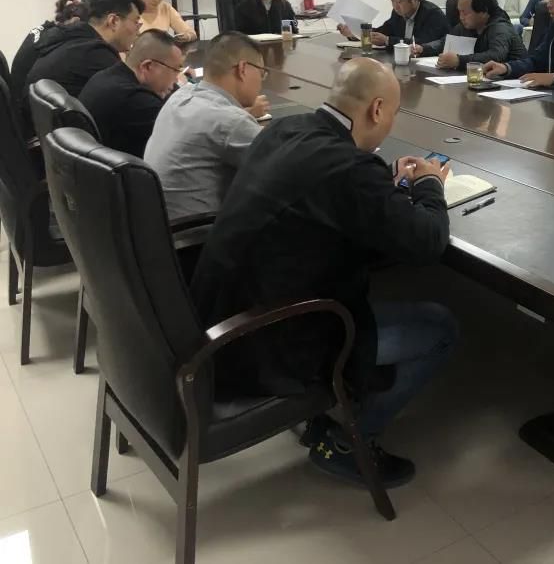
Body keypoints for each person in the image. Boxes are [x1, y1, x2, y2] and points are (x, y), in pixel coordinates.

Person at [190, 57, 457, 487]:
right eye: (393, 112)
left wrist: (383, 190)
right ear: (376, 110)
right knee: (439, 327)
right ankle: (351, 442)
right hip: (268, 341)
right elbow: (427, 243)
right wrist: (429, 185)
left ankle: (335, 412)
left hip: (221, 315)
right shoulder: (348, 169)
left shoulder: (284, 129)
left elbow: (323, 199)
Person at [143, 32, 269, 220]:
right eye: (261, 73)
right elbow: (284, 168)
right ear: (243, 69)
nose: (261, 81)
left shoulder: (180, 96)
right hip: (195, 232)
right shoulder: (231, 121)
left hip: (156, 225)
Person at [21, 0, 144, 133]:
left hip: (45, 136)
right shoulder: (96, 54)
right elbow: (138, 102)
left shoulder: (72, 39)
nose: (138, 30)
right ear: (114, 21)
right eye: (136, 22)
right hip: (55, 137)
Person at [78, 30, 184, 158]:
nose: (177, 79)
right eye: (176, 70)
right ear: (148, 66)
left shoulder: (107, 76)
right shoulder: (135, 100)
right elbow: (185, 139)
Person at [415, 0, 526, 69]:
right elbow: (445, 42)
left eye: (466, 13)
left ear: (484, 11)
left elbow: (496, 55)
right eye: (459, 12)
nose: (461, 17)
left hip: (513, 83)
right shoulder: (468, 25)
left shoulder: (500, 27)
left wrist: (459, 61)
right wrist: (423, 49)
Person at [10, 0, 89, 113]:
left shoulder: (45, 29)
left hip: (19, 102)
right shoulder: (54, 38)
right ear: (75, 20)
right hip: (24, 107)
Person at [341, 0, 448, 48]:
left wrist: (388, 41)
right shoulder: (398, 13)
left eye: (398, 1)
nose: (395, 6)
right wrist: (356, 33)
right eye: (392, 0)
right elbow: (383, 32)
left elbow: (423, 43)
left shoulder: (433, 15)